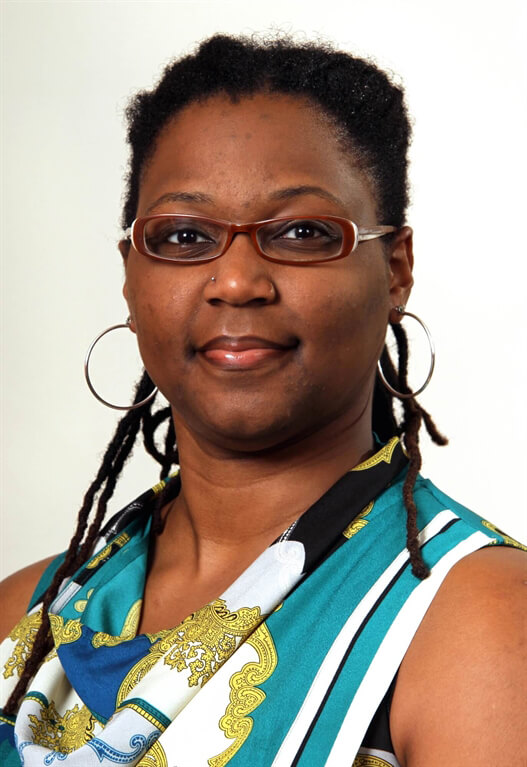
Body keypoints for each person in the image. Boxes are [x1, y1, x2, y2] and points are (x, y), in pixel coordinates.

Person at [0, 34, 525, 767]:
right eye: (185, 236)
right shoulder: (21, 613)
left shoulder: (483, 620)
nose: (237, 281)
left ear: (396, 270)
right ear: (130, 276)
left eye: (302, 232)